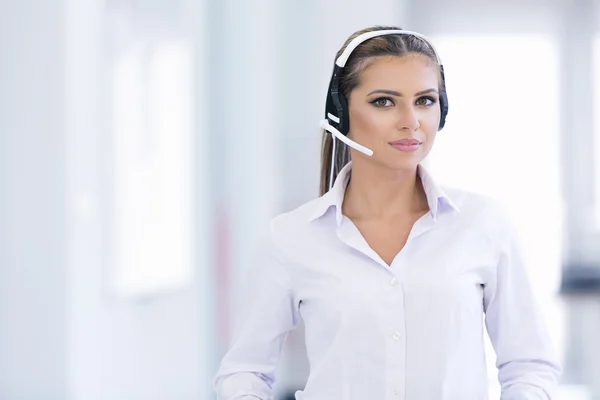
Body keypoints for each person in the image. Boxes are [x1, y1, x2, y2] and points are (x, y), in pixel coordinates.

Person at [213, 25, 561, 400]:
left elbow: (529, 366)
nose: (410, 120)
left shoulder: (483, 223)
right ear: (341, 112)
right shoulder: (290, 238)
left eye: (425, 100)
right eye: (384, 101)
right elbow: (244, 372)